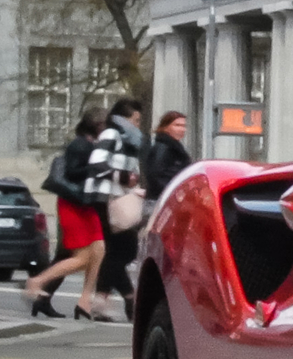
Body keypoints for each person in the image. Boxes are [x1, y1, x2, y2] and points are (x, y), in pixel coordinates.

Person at [27, 109, 112, 321]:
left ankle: (85, 300)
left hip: (85, 203)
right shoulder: (79, 144)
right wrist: (96, 168)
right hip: (73, 205)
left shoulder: (91, 144)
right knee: (82, 258)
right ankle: (37, 282)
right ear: (95, 125)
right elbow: (73, 172)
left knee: (99, 249)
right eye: (103, 124)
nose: (106, 128)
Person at [94, 98, 148, 305]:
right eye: (136, 120)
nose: (138, 125)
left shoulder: (128, 141)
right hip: (108, 199)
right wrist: (123, 178)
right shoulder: (112, 134)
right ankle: (127, 297)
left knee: (116, 252)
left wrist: (133, 187)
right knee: (123, 251)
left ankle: (102, 300)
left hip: (120, 198)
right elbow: (97, 164)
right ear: (123, 119)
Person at [144, 111, 193, 200]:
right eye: (177, 125)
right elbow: (156, 175)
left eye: (184, 126)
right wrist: (174, 193)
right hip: (161, 200)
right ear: (165, 127)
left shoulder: (175, 147)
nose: (182, 129)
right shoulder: (163, 148)